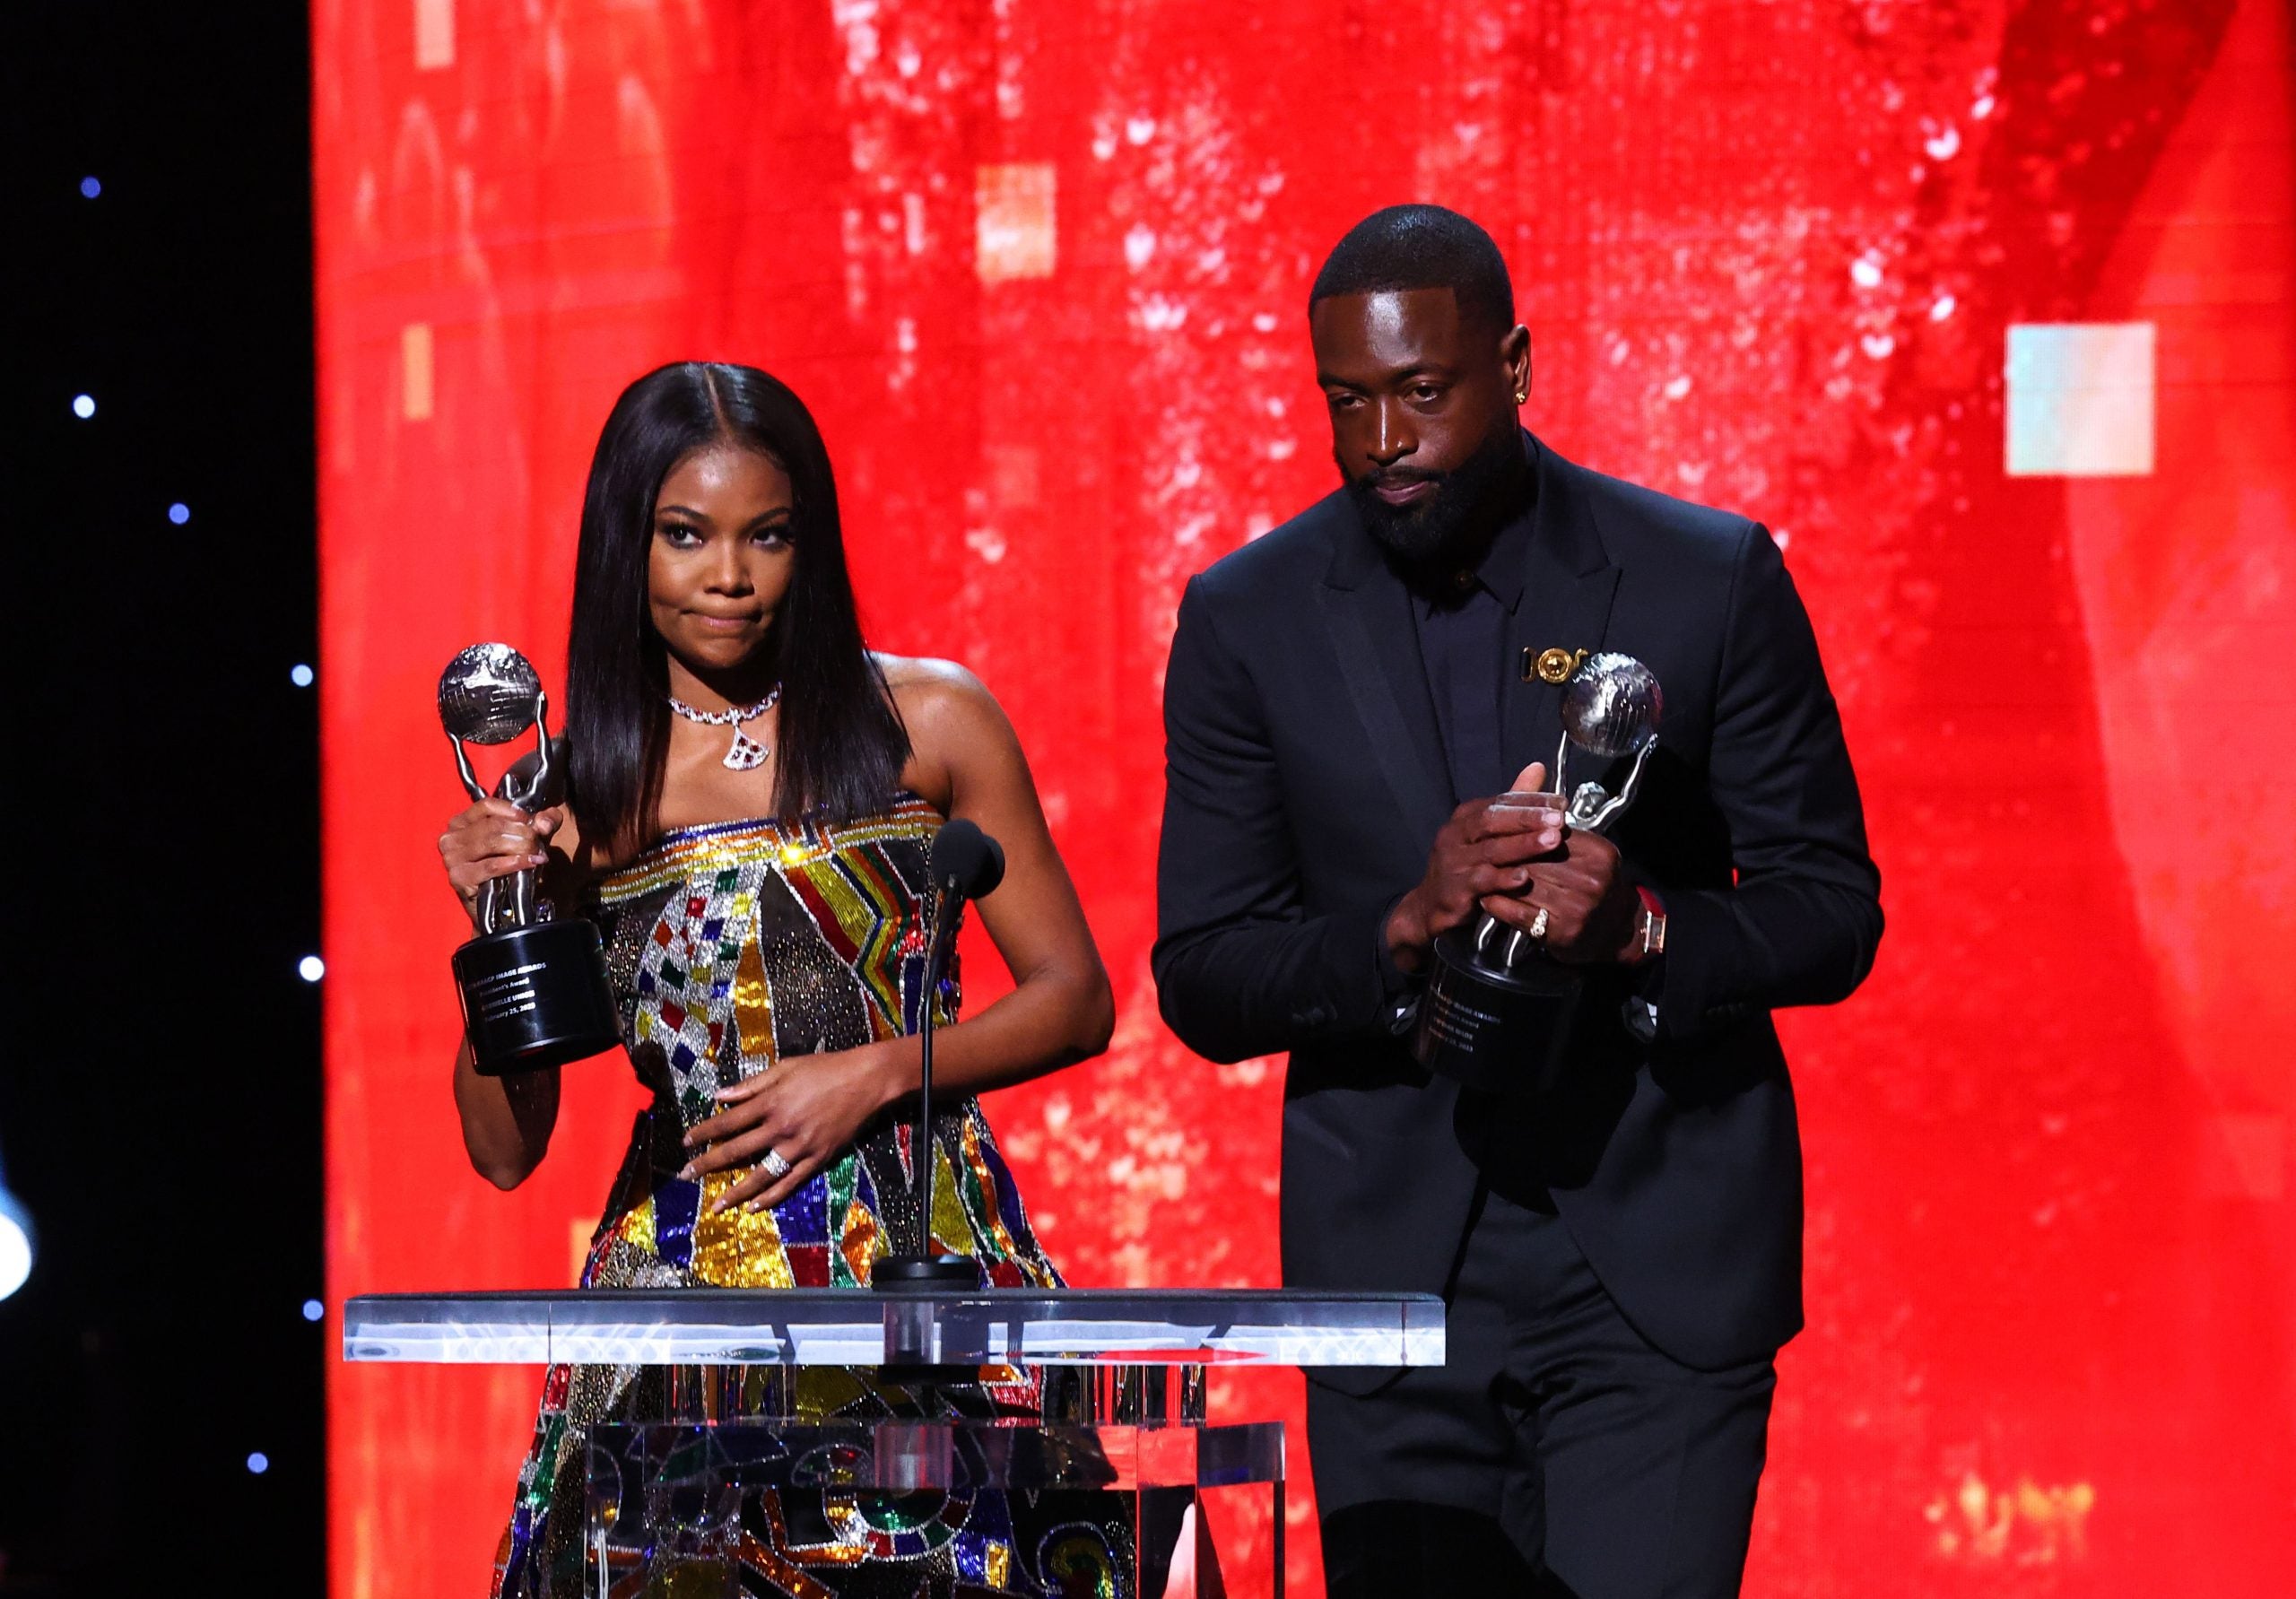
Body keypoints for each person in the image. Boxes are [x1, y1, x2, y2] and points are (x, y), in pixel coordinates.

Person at [1153, 206, 1883, 1597]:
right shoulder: (1247, 617)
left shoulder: (1704, 577)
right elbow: (1205, 972)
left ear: (1517, 366)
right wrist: (1400, 928)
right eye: (1346, 401)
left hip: (1660, 1265)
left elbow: (1833, 905)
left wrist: (1647, 930)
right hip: (1395, 1288)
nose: (1382, 442)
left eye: (1422, 394)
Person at [438, 362, 1126, 1597]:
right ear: (624, 545)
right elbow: (504, 1148)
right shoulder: (580, 799)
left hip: (922, 1268)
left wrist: (868, 1079)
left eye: (768, 535)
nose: (731, 577)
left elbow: (1074, 996)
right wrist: (504, 924)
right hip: (686, 1306)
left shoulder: (929, 722)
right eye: (686, 536)